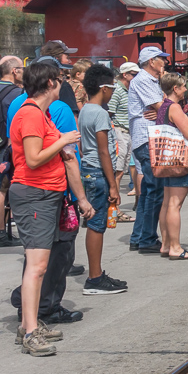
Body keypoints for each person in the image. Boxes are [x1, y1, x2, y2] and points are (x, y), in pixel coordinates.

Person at [9, 59, 94, 355]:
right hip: (34, 195)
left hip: (44, 194)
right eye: (59, 79)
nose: (63, 84)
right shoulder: (31, 114)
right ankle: (30, 330)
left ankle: (29, 324)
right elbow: (33, 159)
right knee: (37, 267)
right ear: (49, 83)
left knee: (38, 266)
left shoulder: (40, 114)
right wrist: (64, 141)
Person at [76, 65, 127, 294]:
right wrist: (114, 185)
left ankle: (96, 275)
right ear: (104, 88)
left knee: (93, 224)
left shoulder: (86, 109)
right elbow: (104, 151)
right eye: (112, 88)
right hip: (98, 172)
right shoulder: (100, 113)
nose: (113, 93)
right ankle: (95, 278)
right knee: (97, 226)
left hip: (88, 169)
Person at [157, 73, 188, 260]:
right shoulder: (174, 107)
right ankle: (175, 247)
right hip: (178, 158)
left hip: (166, 158)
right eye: (183, 86)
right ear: (175, 88)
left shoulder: (163, 106)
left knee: (167, 203)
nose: (186, 89)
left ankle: (166, 244)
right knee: (175, 205)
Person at [127, 46, 168, 255]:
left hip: (147, 137)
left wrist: (161, 110)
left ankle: (139, 236)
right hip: (147, 138)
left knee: (149, 191)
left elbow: (160, 109)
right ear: (151, 61)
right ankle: (147, 238)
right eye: (161, 59)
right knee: (154, 190)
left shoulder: (149, 80)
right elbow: (162, 106)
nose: (165, 62)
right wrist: (166, 108)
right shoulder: (143, 80)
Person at [0, 56, 24, 247]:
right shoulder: (16, 94)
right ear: (14, 71)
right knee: (4, 190)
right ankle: (1, 233)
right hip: (5, 148)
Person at [109, 62, 139, 213]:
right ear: (125, 75)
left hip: (125, 132)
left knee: (121, 170)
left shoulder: (126, 90)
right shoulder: (117, 91)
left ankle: (115, 208)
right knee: (118, 171)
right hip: (119, 132)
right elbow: (109, 112)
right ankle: (115, 208)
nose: (136, 77)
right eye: (134, 74)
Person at [38, 41, 78, 114]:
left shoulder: (33, 85)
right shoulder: (63, 86)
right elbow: (72, 119)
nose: (70, 61)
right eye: (67, 57)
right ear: (56, 59)